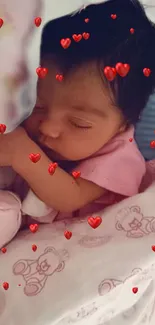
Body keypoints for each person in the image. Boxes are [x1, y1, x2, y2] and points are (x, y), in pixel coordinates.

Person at [0, 0, 155, 247]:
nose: (47, 128)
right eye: (36, 106)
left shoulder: (120, 158)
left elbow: (70, 197)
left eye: (78, 123)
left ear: (123, 124)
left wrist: (22, 154)